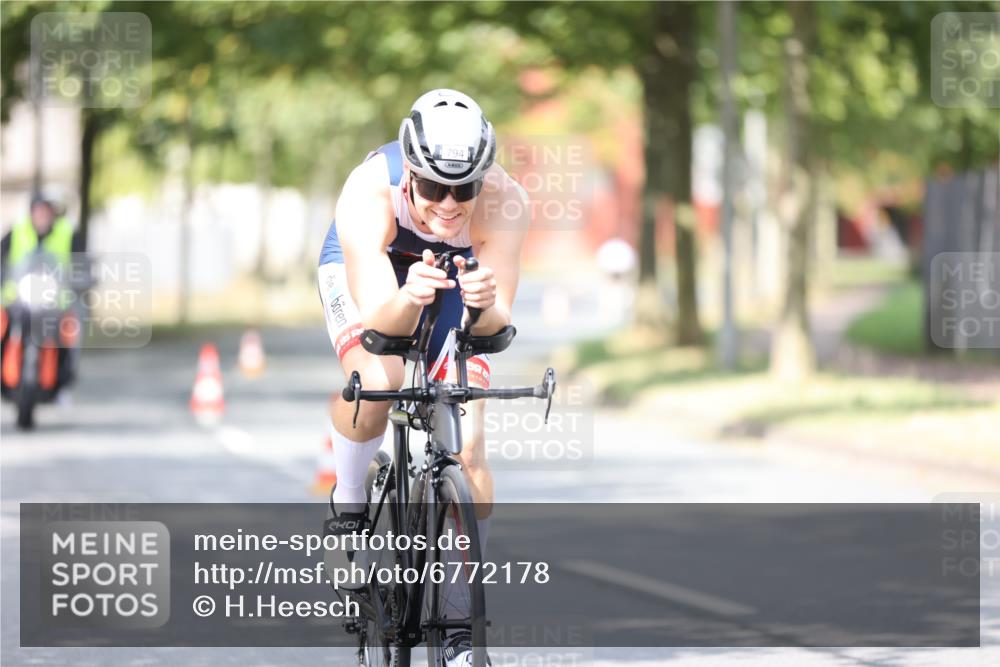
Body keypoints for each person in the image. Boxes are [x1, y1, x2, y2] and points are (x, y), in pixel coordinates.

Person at [317, 89, 529, 664]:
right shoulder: (369, 190)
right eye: (434, 187)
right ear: (410, 172)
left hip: (456, 274)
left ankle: (461, 625)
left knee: (471, 446)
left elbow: (496, 327)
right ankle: (352, 505)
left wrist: (484, 303)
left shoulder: (505, 201)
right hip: (378, 269)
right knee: (378, 378)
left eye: (464, 188)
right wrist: (409, 298)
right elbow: (382, 324)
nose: (449, 204)